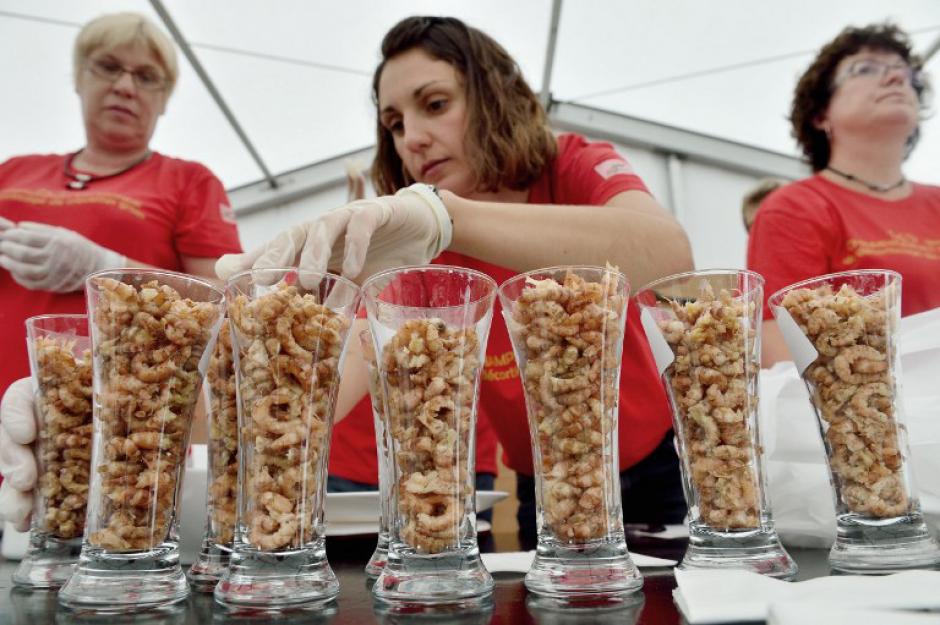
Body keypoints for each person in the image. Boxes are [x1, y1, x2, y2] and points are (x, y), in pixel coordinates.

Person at [218, 16, 693, 542]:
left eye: (436, 105)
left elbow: (669, 253)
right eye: (395, 124)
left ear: (494, 98)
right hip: (545, 481)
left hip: (657, 466)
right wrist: (282, 328)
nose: (414, 139)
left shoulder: (570, 165)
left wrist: (447, 216)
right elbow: (334, 383)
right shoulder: (416, 252)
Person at [0, 12, 242, 529]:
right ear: (79, 77)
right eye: (108, 67)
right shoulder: (14, 171)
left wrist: (110, 269)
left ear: (165, 98)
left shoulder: (188, 181)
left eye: (146, 76)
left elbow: (227, 299)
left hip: (110, 428)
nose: (125, 86)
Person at [747, 23, 937, 366]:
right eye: (866, 69)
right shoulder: (795, 208)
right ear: (821, 114)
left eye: (905, 74)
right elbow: (785, 359)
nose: (896, 79)